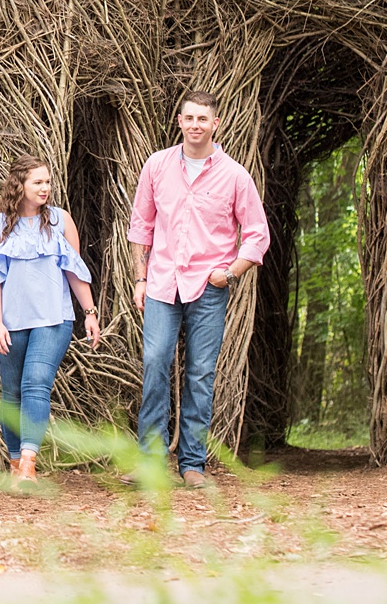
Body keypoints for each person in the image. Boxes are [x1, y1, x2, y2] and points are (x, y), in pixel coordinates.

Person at [128, 89, 269, 488]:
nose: (195, 125)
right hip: (160, 282)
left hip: (209, 286)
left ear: (215, 124)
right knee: (155, 361)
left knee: (201, 373)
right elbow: (142, 226)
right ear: (180, 121)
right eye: (189, 118)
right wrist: (140, 279)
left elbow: (257, 234)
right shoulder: (156, 166)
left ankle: (192, 465)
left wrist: (231, 272)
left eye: (202, 119)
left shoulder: (235, 175)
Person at [0, 154, 102, 485]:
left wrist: (89, 313)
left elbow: (75, 271)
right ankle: (15, 462)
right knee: (11, 393)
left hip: (54, 318)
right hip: (12, 322)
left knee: (36, 382)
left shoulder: (61, 221)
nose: (45, 187)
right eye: (38, 182)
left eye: (48, 181)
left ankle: (29, 465)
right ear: (19, 185)